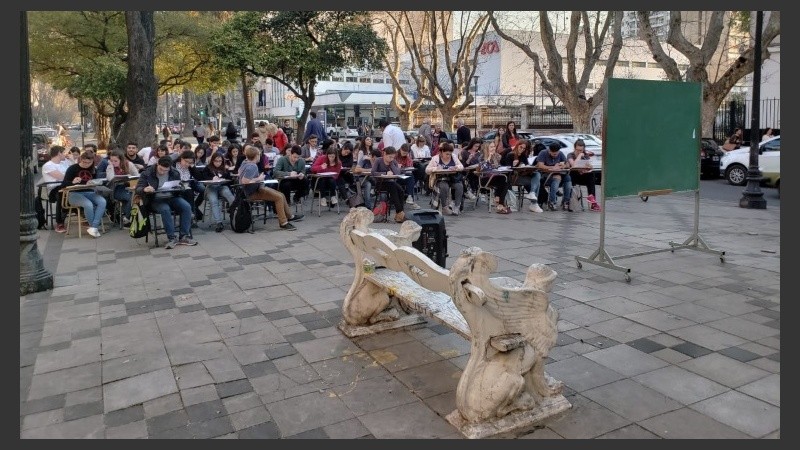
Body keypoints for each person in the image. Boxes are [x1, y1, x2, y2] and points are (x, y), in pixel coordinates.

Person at [238, 144, 304, 231]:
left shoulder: (245, 162)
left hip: (254, 189)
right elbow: (244, 181)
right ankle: (283, 223)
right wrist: (259, 178)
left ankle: (289, 216)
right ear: (256, 156)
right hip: (252, 192)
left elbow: (239, 173)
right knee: (279, 197)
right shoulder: (252, 166)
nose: (260, 156)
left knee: (281, 195)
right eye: (259, 154)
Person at [136, 156, 197, 248]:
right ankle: (172, 238)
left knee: (186, 206)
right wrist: (145, 189)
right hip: (155, 199)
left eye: (166, 170)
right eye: (161, 169)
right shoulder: (147, 173)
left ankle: (184, 236)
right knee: (165, 209)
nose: (162, 172)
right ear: (157, 164)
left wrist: (180, 187)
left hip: (171, 196)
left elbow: (179, 186)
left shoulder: (174, 172)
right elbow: (138, 188)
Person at [60, 151, 107, 238]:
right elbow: (63, 184)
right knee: (88, 204)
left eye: (89, 163)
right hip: (74, 193)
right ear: (81, 159)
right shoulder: (72, 168)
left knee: (102, 201)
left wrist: (94, 183)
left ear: (92, 161)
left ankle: (93, 227)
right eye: (84, 162)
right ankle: (94, 227)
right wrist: (72, 182)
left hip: (90, 192)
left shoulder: (93, 169)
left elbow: (96, 181)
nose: (86, 165)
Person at [200, 153, 235, 232]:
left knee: (229, 195)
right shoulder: (208, 168)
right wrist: (212, 178)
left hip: (222, 186)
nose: (218, 163)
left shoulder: (224, 168)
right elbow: (203, 178)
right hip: (211, 187)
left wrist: (226, 175)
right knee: (214, 201)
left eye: (220, 161)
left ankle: (235, 216)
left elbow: (230, 180)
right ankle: (219, 222)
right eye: (216, 161)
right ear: (212, 161)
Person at [426, 142, 465, 215]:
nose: (449, 156)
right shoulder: (435, 158)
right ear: (441, 152)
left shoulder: (454, 157)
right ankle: (444, 207)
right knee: (444, 187)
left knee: (459, 186)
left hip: (453, 178)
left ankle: (457, 206)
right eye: (447, 154)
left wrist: (456, 167)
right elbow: (427, 170)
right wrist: (436, 168)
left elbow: (461, 166)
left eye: (450, 154)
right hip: (441, 178)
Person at [370, 146, 406, 223]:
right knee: (393, 187)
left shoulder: (393, 162)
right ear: (384, 154)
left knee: (401, 190)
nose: (391, 159)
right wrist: (385, 173)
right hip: (381, 183)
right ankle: (400, 212)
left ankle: (399, 213)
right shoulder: (378, 161)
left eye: (393, 157)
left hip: (391, 182)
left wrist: (392, 165)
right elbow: (373, 172)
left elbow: (397, 173)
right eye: (390, 157)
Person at [106, 148, 140, 226]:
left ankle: (130, 217)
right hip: (117, 188)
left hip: (130, 186)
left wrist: (130, 177)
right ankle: (127, 218)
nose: (113, 163)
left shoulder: (129, 164)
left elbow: (137, 176)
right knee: (130, 197)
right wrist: (111, 166)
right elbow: (110, 178)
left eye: (115, 161)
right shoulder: (110, 167)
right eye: (111, 161)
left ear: (121, 160)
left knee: (136, 196)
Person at [40, 146, 70, 233]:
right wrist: (68, 176)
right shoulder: (48, 165)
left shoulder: (64, 163)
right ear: (59, 153)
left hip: (66, 186)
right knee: (62, 194)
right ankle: (59, 222)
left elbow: (73, 172)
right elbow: (62, 177)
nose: (65, 154)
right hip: (54, 189)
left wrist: (71, 160)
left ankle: (82, 214)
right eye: (64, 153)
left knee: (74, 192)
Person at [534, 143, 573, 211]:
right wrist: (552, 167)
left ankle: (566, 201)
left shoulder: (560, 153)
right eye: (554, 154)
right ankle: (552, 201)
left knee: (568, 178)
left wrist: (563, 166)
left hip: (559, 173)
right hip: (546, 175)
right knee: (556, 179)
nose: (555, 155)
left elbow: (567, 164)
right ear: (549, 151)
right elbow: (540, 165)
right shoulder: (543, 153)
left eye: (556, 153)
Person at [477, 141, 512, 214]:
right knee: (503, 180)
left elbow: (497, 167)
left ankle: (499, 201)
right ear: (487, 148)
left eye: (494, 146)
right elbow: (484, 168)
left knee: (505, 180)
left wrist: (502, 168)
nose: (493, 148)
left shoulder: (496, 156)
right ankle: (499, 201)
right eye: (491, 147)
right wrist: (489, 157)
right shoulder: (481, 157)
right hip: (485, 178)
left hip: (495, 177)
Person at [566, 139, 599, 211]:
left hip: (582, 176)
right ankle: (591, 198)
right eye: (578, 150)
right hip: (573, 177)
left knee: (591, 175)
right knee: (574, 172)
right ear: (574, 148)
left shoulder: (585, 156)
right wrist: (579, 156)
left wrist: (588, 167)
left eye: (581, 150)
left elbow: (589, 166)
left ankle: (592, 198)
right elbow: (574, 165)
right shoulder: (570, 155)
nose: (579, 152)